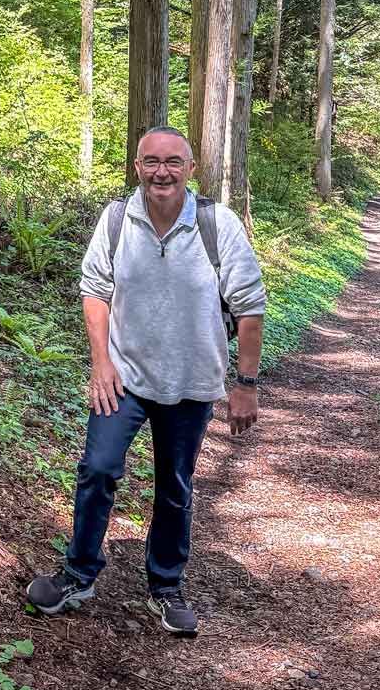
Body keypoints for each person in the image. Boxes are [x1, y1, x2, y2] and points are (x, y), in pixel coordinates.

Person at [26, 126, 266, 636]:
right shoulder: (116, 220)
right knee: (98, 468)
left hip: (192, 382)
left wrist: (245, 382)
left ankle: (166, 586)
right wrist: (101, 363)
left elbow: (248, 308)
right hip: (125, 377)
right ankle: (79, 572)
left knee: (175, 487)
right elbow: (95, 290)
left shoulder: (216, 224)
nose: (162, 172)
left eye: (173, 162)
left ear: (191, 168)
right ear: (137, 166)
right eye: (152, 162)